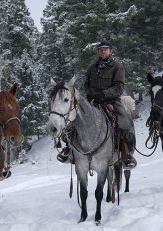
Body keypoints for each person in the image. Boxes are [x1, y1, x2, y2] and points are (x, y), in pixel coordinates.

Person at [57, 41, 137, 170]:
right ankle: (70, 150)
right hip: (93, 102)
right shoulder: (92, 68)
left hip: (111, 101)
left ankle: (126, 154)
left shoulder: (117, 66)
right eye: (100, 50)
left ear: (110, 51)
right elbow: (86, 85)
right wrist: (91, 94)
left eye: (105, 49)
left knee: (124, 121)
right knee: (74, 119)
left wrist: (104, 94)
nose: (103, 51)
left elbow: (119, 87)